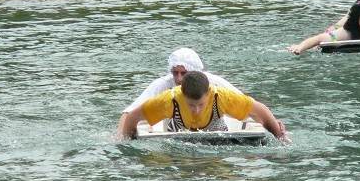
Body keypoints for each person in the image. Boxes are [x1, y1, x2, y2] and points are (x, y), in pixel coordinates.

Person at [119, 71, 290, 143]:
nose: (196, 110)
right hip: (178, 135)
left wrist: (280, 137)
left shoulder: (221, 97)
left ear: (208, 93)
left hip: (218, 135)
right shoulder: (169, 99)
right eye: (190, 105)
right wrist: (127, 140)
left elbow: (260, 110)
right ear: (181, 94)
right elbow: (133, 116)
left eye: (201, 104)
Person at [115, 48, 241, 136]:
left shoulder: (212, 82)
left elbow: (242, 100)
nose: (179, 79)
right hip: (174, 130)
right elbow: (129, 112)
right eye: (175, 73)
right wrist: (120, 137)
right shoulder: (163, 84)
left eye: (184, 73)